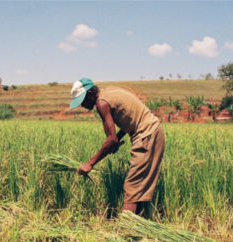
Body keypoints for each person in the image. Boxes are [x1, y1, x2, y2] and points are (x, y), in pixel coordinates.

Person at [70, 78, 165, 214]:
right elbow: (130, 118)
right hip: (152, 131)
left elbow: (111, 139)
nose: (83, 105)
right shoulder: (109, 92)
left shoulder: (101, 103)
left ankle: (126, 229)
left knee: (132, 186)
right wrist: (117, 139)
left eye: (83, 101)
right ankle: (139, 223)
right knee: (139, 183)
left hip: (146, 135)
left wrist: (90, 163)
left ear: (90, 94)